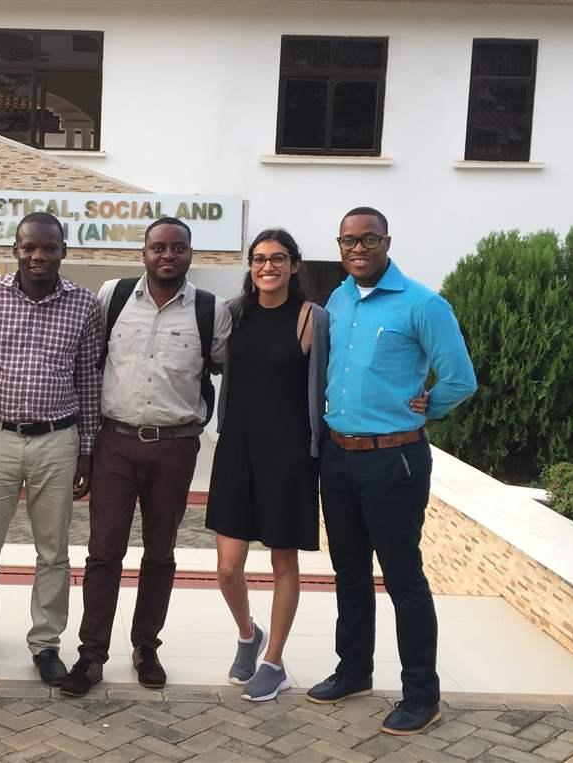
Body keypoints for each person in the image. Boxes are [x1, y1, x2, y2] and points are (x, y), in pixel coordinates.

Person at [308, 207, 476, 735]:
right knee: (350, 571)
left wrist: (428, 406)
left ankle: (421, 695)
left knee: (402, 576)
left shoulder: (423, 303)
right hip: (338, 456)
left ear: (386, 241)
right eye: (348, 240)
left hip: (394, 459)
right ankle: (354, 670)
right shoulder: (338, 298)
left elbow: (459, 378)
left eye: (369, 239)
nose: (358, 248)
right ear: (340, 246)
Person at [61, 217, 230, 697]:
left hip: (175, 447)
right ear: (144, 253)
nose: (167, 256)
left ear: (190, 254)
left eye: (178, 248)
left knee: (160, 553)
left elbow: (227, 368)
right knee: (103, 554)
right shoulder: (112, 297)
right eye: (159, 247)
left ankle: (146, 647)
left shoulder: (209, 311)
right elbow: (89, 365)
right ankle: (91, 655)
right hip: (115, 442)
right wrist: (85, 446)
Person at [0, 211, 102, 688]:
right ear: (14, 250)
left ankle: (46, 644)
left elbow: (89, 380)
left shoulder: (84, 305)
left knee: (53, 553)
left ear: (62, 252)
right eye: (29, 247)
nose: (38, 255)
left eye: (48, 248)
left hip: (58, 440)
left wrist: (87, 451)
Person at [205, 228, 331, 702]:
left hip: (291, 455)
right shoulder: (234, 314)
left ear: (295, 265)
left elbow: (335, 377)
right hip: (236, 449)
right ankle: (247, 633)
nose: (268, 267)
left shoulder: (311, 319)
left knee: (283, 562)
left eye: (278, 259)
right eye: (259, 259)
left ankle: (273, 661)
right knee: (227, 566)